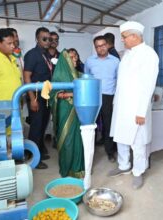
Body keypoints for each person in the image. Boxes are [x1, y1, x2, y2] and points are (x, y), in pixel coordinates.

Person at [108, 21, 159, 189]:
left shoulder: (149, 54)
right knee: (121, 138)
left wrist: (141, 111)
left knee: (138, 141)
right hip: (122, 106)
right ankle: (124, 166)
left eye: (124, 37)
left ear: (134, 36)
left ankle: (138, 171)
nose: (122, 40)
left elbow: (148, 85)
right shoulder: (127, 54)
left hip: (137, 108)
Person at [49, 50, 85, 178]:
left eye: (76, 56)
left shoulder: (80, 75)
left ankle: (78, 168)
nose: (75, 59)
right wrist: (72, 94)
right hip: (65, 111)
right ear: (65, 61)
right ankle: (67, 168)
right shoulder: (59, 76)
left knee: (79, 139)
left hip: (79, 112)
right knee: (67, 140)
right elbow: (53, 94)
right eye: (71, 57)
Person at [85, 35, 120, 162]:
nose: (101, 48)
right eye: (98, 46)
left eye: (103, 45)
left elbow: (119, 80)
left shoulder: (115, 61)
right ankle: (89, 152)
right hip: (92, 96)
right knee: (91, 124)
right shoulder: (89, 61)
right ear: (95, 48)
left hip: (108, 97)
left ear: (107, 45)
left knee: (108, 124)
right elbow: (86, 78)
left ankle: (110, 151)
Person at [24, 27, 52, 169]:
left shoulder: (45, 55)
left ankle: (39, 150)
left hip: (45, 95)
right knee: (36, 127)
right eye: (44, 39)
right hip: (35, 95)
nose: (47, 41)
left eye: (49, 39)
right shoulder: (32, 54)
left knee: (42, 125)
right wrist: (32, 99)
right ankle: (33, 157)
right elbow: (27, 77)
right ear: (37, 39)